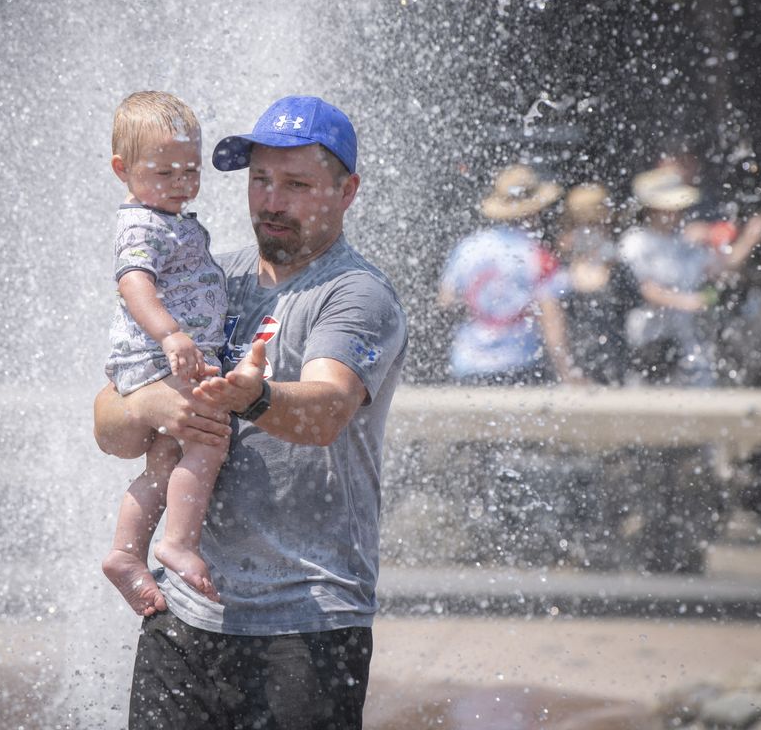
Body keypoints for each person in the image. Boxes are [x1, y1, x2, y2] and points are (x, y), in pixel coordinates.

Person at [94, 95, 408, 729]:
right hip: (183, 612)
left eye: (296, 184)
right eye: (260, 179)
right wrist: (156, 404)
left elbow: (325, 412)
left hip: (308, 618)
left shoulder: (356, 294)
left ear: (347, 191)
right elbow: (109, 426)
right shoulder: (211, 274)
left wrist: (254, 396)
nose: (271, 200)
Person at [100, 91, 229, 616]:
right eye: (164, 172)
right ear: (122, 169)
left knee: (164, 460)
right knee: (208, 441)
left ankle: (124, 553)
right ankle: (177, 540)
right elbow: (134, 283)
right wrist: (171, 335)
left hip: (159, 359)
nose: (180, 183)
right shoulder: (140, 223)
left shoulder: (169, 218)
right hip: (158, 359)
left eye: (190, 171)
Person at [618, 167, 761, 386]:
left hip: (689, 343)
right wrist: (689, 302)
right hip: (651, 341)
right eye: (669, 209)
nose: (677, 214)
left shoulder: (685, 241)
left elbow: (722, 268)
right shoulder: (635, 243)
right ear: (651, 210)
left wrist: (748, 240)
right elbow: (646, 290)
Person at [438, 164, 579, 385]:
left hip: (467, 364)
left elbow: (446, 302)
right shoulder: (538, 256)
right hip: (519, 363)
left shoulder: (468, 248)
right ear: (536, 210)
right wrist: (566, 373)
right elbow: (551, 319)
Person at [555, 183, 635, 384]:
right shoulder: (560, 272)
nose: (589, 233)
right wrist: (565, 371)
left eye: (597, 224)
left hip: (615, 371)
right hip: (573, 376)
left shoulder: (619, 270)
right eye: (581, 225)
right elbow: (553, 326)